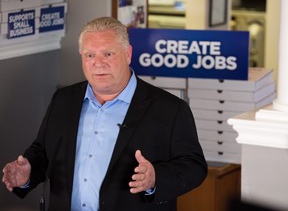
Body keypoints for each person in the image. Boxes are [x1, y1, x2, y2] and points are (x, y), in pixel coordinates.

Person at [2, 16, 207, 211]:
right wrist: (28, 172)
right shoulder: (63, 100)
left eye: (108, 54)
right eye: (90, 55)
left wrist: (156, 178)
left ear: (128, 54)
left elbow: (194, 167)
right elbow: (43, 152)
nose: (98, 63)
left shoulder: (170, 109)